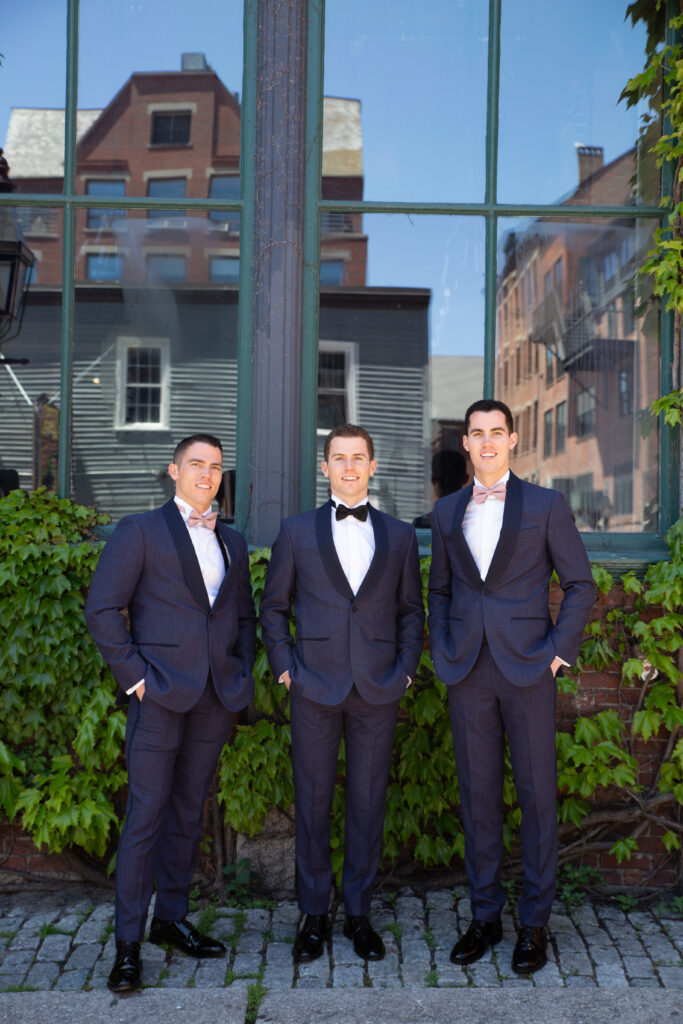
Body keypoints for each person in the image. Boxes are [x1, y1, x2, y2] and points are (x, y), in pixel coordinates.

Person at [85, 434, 257, 994]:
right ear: (173, 470)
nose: (206, 475)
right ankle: (128, 946)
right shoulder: (140, 531)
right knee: (145, 817)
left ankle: (170, 920)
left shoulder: (232, 538)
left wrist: (239, 670)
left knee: (188, 812)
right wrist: (134, 679)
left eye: (215, 467)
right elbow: (103, 609)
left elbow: (244, 617)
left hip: (214, 698)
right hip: (156, 696)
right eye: (196, 465)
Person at [428, 400, 595, 974]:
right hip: (467, 669)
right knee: (477, 798)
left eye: (497, 431)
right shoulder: (448, 511)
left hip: (529, 669)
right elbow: (441, 591)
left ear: (514, 439)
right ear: (466, 444)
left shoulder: (546, 505)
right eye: (477, 434)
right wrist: (443, 646)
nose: (488, 441)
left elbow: (579, 584)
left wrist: (557, 654)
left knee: (536, 799)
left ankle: (535, 923)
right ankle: (485, 916)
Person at [260, 424, 425, 963]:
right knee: (311, 802)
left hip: (378, 687)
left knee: (367, 803)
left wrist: (404, 670)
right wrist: (287, 668)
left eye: (359, 458)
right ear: (325, 466)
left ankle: (358, 913)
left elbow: (411, 612)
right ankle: (312, 914)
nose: (350, 467)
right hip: (312, 685)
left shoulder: (400, 536)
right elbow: (274, 609)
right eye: (339, 458)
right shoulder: (295, 532)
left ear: (373, 466)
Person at [413, 448, 468, 529]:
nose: (448, 484)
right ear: (465, 479)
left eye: (452, 480)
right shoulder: (476, 524)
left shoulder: (421, 525)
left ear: (433, 479)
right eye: (443, 480)